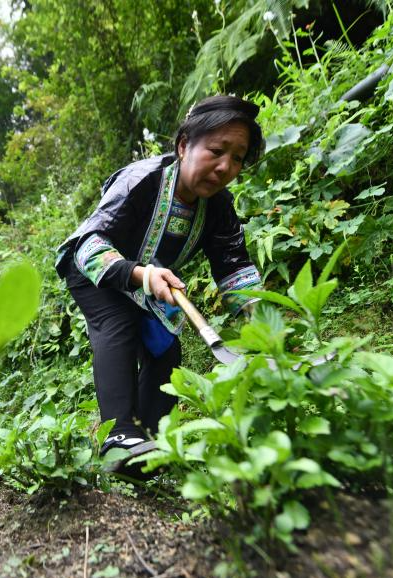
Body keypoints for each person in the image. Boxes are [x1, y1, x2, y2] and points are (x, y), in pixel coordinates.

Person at [54, 94, 265, 476]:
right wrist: (142, 275)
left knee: (165, 351)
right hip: (93, 270)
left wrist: (263, 327)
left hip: (147, 283)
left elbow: (234, 268)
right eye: (217, 150)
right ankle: (119, 437)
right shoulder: (142, 180)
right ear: (185, 145)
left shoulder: (219, 207)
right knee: (118, 324)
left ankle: (147, 452)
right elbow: (89, 244)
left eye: (237, 157)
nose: (225, 167)